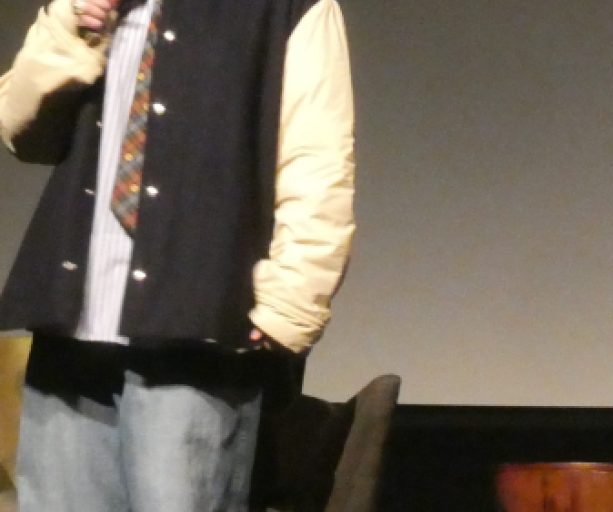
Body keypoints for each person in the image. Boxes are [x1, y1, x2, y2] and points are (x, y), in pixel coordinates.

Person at [0, 0, 356, 509]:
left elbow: (318, 165)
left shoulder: (288, 8)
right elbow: (20, 131)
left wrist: (290, 309)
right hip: (72, 333)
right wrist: (69, 27)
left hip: (196, 339)